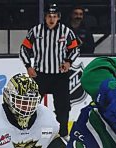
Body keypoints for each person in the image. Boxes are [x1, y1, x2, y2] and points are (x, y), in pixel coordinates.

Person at [19, 3, 80, 138]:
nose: (51, 19)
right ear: (45, 17)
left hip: (60, 76)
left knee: (63, 107)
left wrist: (68, 62)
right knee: (32, 105)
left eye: (54, 16)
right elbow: (24, 49)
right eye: (49, 16)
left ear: (58, 17)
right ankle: (28, 133)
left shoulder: (66, 31)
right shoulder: (35, 31)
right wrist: (28, 66)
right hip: (40, 75)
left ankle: (63, 134)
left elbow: (75, 49)